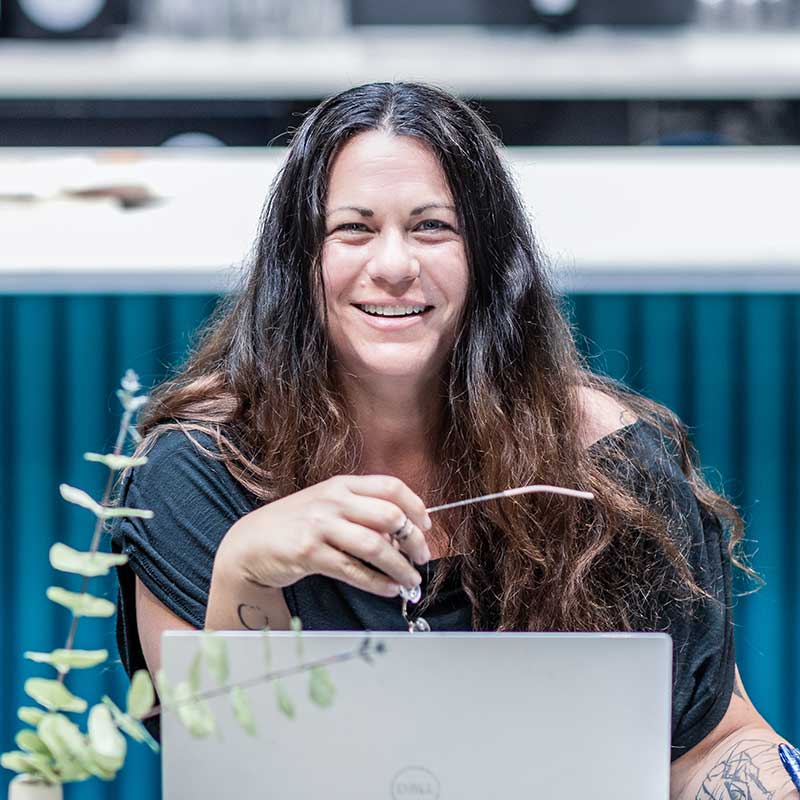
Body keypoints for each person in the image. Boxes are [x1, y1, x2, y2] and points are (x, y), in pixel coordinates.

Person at [109, 81, 798, 797]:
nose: (394, 266)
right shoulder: (200, 471)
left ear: (488, 258)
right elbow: (236, 777)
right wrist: (246, 569)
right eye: (353, 229)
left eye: (433, 227)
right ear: (299, 260)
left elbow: (710, 743)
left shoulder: (611, 469)